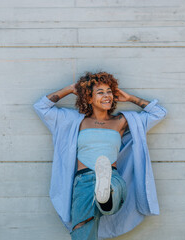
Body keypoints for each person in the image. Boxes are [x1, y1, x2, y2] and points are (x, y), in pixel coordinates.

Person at [33, 71, 168, 239]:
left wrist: (130, 98)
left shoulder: (120, 121)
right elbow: (41, 107)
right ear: (89, 98)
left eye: (109, 91)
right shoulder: (76, 120)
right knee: (81, 233)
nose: (107, 96)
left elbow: (159, 113)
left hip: (112, 177)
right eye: (100, 92)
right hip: (83, 181)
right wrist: (70, 89)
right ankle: (103, 197)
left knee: (113, 191)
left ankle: (106, 196)